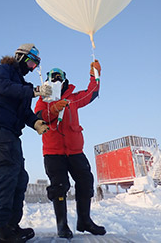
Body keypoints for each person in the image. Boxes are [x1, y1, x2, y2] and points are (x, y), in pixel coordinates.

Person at [0, 43, 51, 243]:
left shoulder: (22, 86)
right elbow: (3, 87)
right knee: (5, 178)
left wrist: (35, 122)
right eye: (32, 63)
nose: (33, 68)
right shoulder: (2, 71)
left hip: (10, 136)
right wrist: (35, 91)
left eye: (36, 65)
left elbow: (24, 112)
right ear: (21, 57)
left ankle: (11, 227)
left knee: (19, 179)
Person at [34, 60, 106, 239]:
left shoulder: (73, 99)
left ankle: (85, 221)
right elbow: (38, 116)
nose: (57, 79)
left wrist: (95, 75)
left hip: (75, 151)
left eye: (60, 77)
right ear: (48, 80)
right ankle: (62, 225)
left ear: (65, 80)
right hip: (53, 152)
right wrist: (53, 109)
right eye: (53, 77)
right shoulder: (43, 100)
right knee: (59, 186)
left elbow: (91, 93)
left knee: (85, 181)